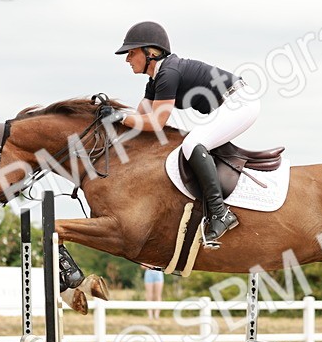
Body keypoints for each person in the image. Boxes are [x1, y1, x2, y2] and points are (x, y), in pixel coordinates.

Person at [111, 21, 259, 248]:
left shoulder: (168, 73)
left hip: (240, 102)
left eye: (131, 53)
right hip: (228, 105)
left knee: (192, 144)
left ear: (150, 53)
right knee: (193, 142)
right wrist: (116, 119)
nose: (127, 59)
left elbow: (157, 122)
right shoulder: (155, 79)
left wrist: (119, 117)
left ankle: (220, 213)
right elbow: (140, 117)